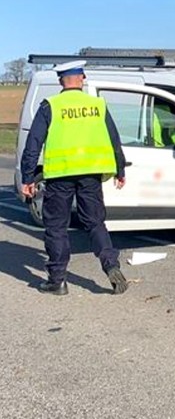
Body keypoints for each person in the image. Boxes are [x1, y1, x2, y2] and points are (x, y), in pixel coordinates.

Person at [20, 60, 129, 296]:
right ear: (83, 78)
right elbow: (114, 139)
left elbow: (33, 143)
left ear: (61, 81)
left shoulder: (51, 105)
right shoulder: (97, 105)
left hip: (60, 175)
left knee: (57, 226)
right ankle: (110, 264)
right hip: (90, 174)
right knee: (95, 223)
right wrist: (120, 170)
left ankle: (57, 280)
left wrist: (28, 177)